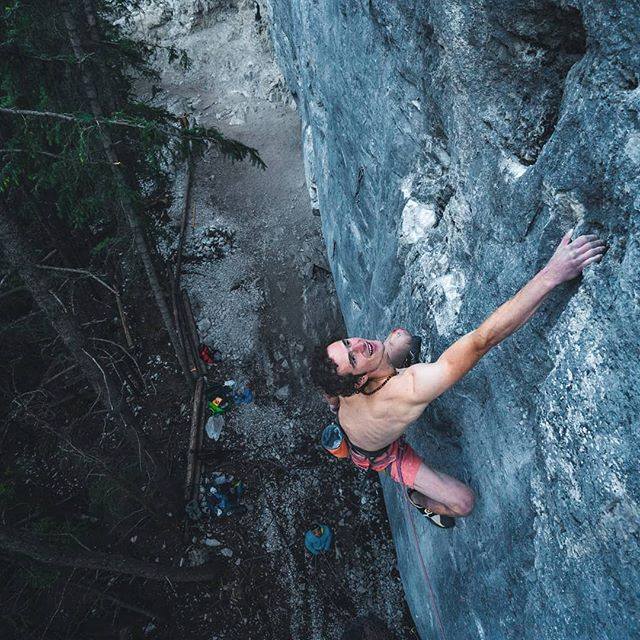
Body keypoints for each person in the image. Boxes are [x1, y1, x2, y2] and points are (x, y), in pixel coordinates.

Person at [311, 230, 605, 528]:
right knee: (463, 502)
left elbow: (331, 385)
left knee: (400, 339)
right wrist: (552, 274)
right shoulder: (412, 387)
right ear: (358, 383)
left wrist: (336, 400)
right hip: (377, 453)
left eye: (348, 343)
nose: (359, 345)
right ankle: (421, 500)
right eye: (353, 358)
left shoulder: (342, 384)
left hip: (353, 414)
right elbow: (483, 340)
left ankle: (351, 398)